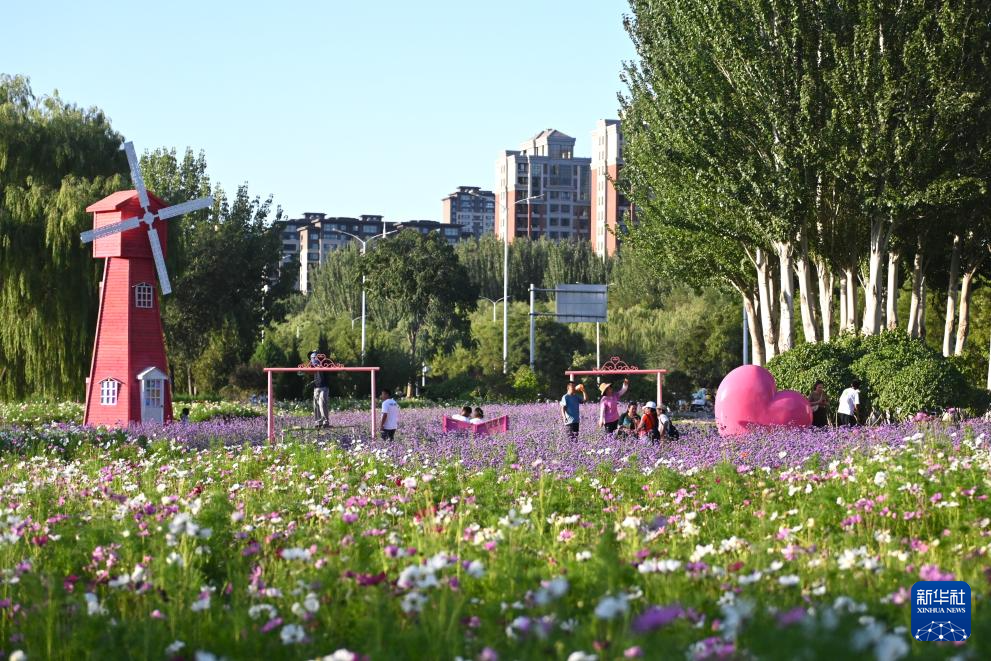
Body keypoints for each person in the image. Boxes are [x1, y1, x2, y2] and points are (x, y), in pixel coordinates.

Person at [310, 350, 330, 428]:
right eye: (312, 358)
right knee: (316, 404)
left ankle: (325, 421)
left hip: (324, 386)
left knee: (322, 403)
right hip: (316, 387)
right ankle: (318, 421)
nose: (313, 359)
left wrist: (319, 366)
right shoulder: (312, 366)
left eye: (314, 357)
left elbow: (324, 371)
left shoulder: (324, 364)